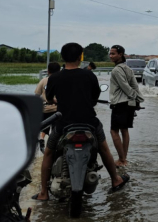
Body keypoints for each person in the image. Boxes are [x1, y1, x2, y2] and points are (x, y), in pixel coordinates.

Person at [33, 42, 128, 201]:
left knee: (48, 153)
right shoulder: (89, 75)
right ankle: (116, 179)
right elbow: (94, 98)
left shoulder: (55, 77)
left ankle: (44, 192)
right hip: (89, 123)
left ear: (63, 58)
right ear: (79, 57)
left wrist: (57, 101)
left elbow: (49, 98)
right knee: (104, 149)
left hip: (63, 124)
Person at [108, 45, 144, 167]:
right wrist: (137, 98)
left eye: (113, 54)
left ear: (121, 54)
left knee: (114, 131)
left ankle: (122, 160)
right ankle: (124, 158)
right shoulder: (128, 69)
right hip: (129, 104)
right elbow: (135, 86)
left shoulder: (116, 70)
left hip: (120, 103)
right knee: (124, 130)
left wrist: (135, 96)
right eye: (110, 53)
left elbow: (126, 87)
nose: (111, 56)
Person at [34, 62, 61, 152]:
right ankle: (54, 146)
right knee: (56, 130)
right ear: (59, 70)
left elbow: (37, 95)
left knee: (44, 127)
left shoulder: (43, 81)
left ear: (48, 71)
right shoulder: (61, 80)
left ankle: (41, 139)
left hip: (44, 109)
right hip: (57, 110)